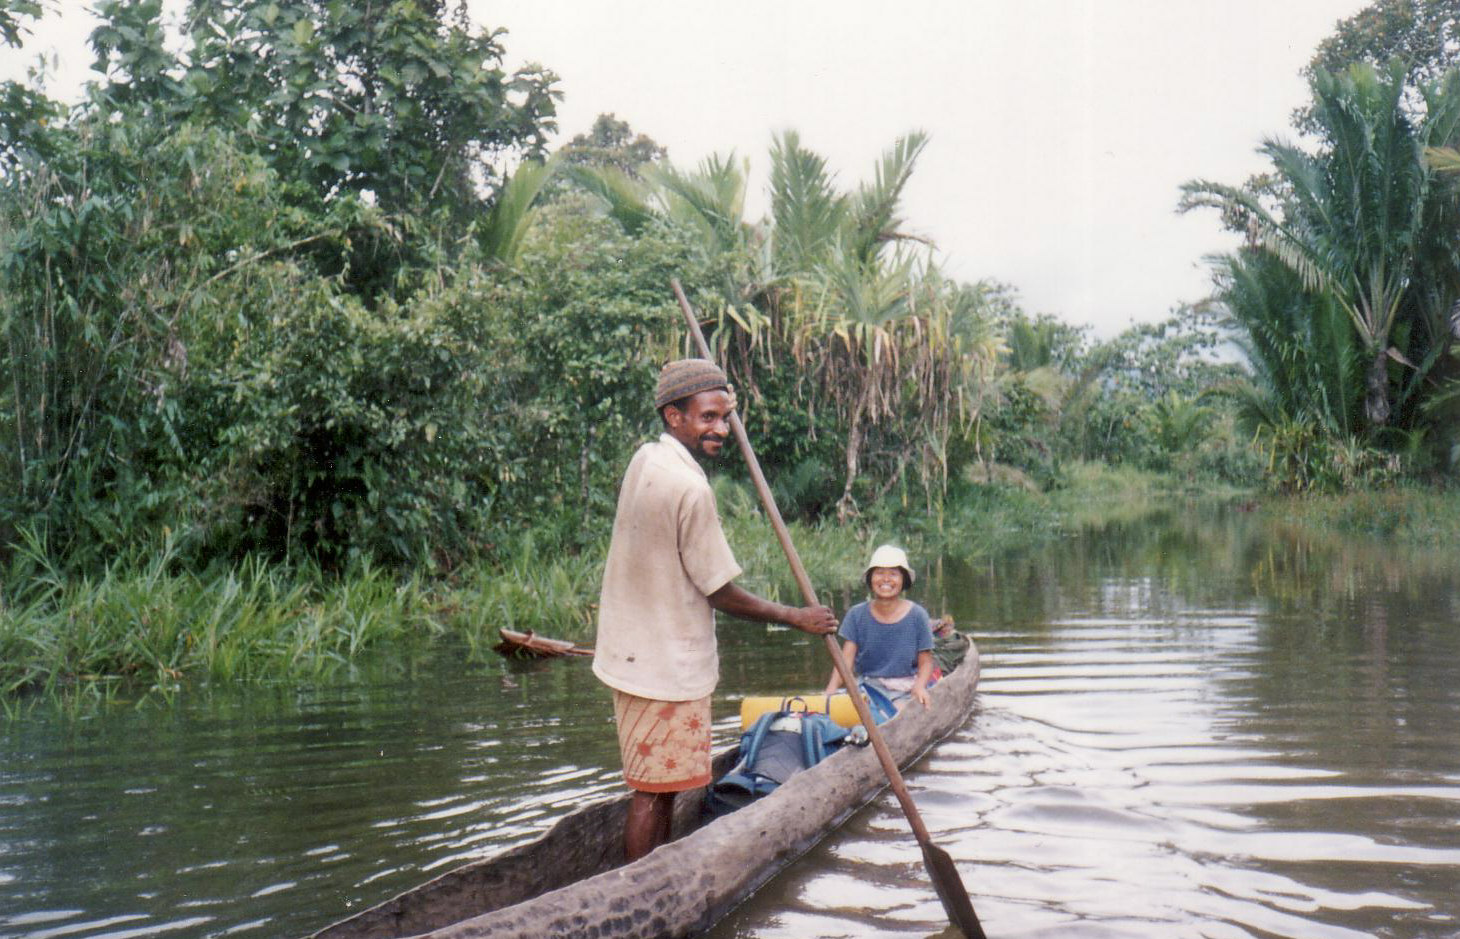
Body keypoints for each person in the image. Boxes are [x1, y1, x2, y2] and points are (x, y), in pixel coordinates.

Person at [593, 358, 838, 862]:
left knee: (654, 785)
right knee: (654, 792)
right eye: (707, 417)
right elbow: (721, 592)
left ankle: (648, 873)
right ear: (672, 416)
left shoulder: (646, 459)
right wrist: (797, 617)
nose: (721, 429)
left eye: (725, 417)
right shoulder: (691, 488)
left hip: (631, 655)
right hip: (664, 665)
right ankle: (641, 885)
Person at [824, 544, 935, 712]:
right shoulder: (857, 615)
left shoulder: (918, 616)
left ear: (903, 580)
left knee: (898, 715)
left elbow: (926, 663)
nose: (886, 579)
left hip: (903, 689)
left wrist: (919, 687)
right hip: (868, 688)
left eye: (893, 574)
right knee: (848, 714)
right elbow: (845, 663)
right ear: (870, 578)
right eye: (879, 573)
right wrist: (829, 693)